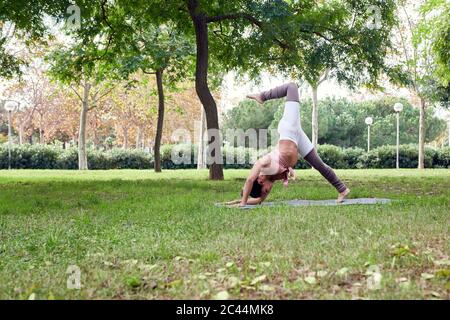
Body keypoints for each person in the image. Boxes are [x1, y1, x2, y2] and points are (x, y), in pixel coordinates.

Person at [233, 82, 350, 207]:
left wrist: (243, 202)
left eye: (266, 190)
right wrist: (238, 201)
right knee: (319, 165)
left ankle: (262, 96)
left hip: (289, 131)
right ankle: (342, 189)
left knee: (292, 87)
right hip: (297, 138)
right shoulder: (271, 177)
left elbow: (250, 180)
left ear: (260, 181)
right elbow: (259, 200)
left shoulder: (263, 162)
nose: (268, 190)